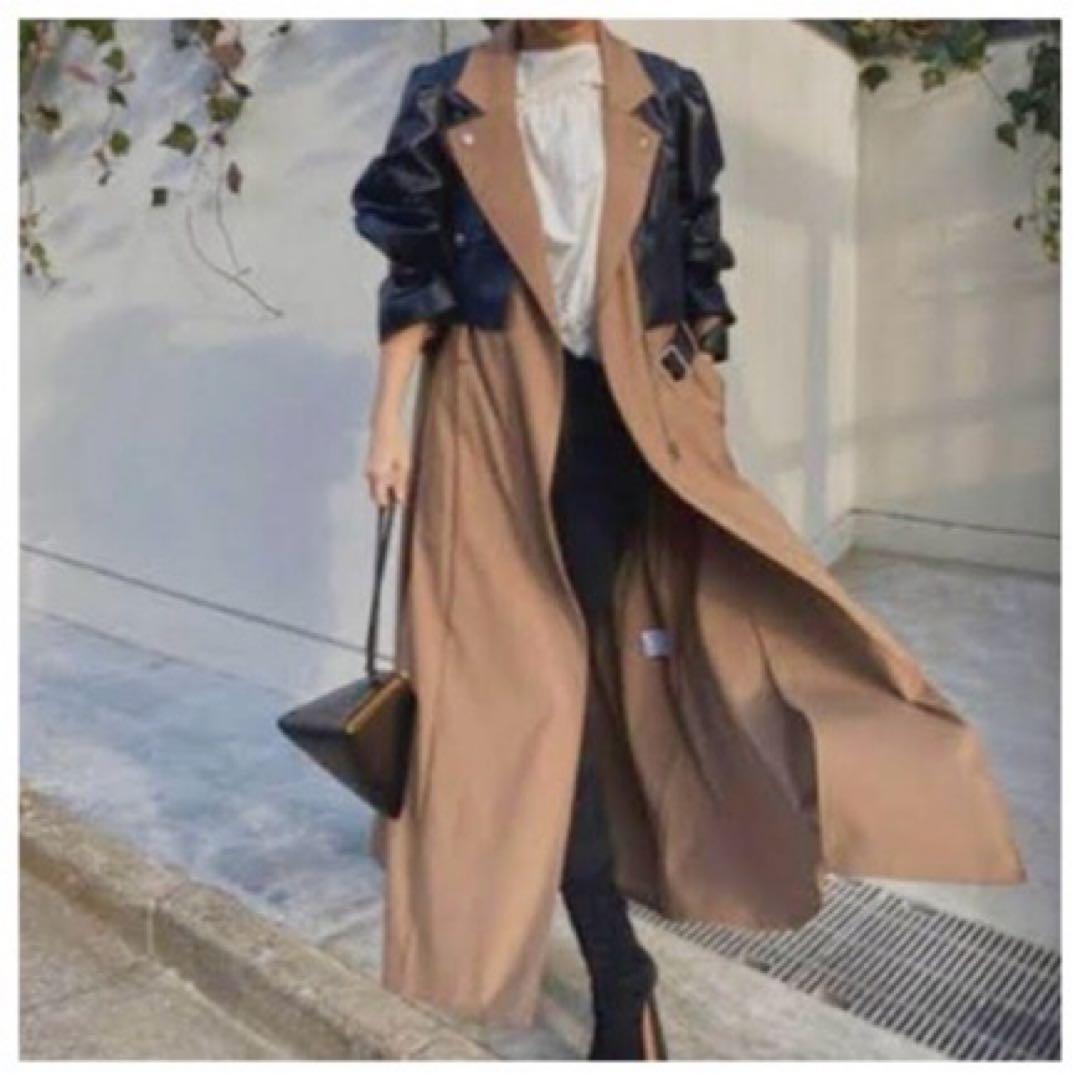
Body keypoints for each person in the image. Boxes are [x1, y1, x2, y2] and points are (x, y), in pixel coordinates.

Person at [350, 16, 1025, 1062]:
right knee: (530, 690)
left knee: (672, 654)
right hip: (492, 414)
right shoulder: (447, 93)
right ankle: (616, 964)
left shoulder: (668, 93)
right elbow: (415, 271)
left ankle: (858, 796)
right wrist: (388, 422)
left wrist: (695, 405)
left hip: (637, 421)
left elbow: (700, 259)